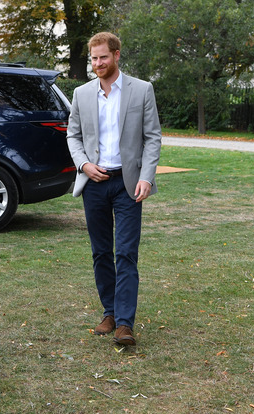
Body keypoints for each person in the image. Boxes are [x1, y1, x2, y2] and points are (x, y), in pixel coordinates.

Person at [66, 32, 162, 346]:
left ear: (117, 55)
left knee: (126, 253)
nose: (97, 64)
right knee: (101, 253)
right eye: (93, 58)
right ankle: (109, 312)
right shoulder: (81, 94)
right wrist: (83, 165)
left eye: (103, 57)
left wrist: (146, 177)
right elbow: (73, 136)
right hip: (94, 182)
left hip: (128, 183)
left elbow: (152, 138)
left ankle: (124, 324)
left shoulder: (142, 90)